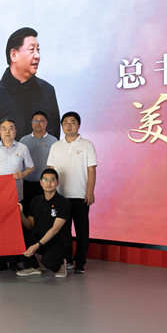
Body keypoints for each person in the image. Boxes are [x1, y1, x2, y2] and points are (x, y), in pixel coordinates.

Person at [0, 27, 60, 151]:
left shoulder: (47, 91)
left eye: (38, 50)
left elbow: (54, 139)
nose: (37, 55)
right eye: (31, 50)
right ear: (14, 55)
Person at [47, 111, 97, 274]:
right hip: (61, 197)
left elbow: (91, 170)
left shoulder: (87, 145)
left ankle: (80, 262)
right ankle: (67, 260)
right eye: (66, 122)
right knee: (63, 231)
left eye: (72, 122)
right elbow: (51, 171)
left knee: (82, 231)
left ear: (79, 125)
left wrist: (90, 192)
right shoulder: (56, 146)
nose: (69, 125)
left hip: (81, 196)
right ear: (62, 126)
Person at [0, 117, 34, 272]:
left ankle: (13, 262)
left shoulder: (22, 148)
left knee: (14, 229)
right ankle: (1, 262)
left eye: (11, 128)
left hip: (16, 195)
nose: (7, 131)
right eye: (4, 128)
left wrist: (23, 174)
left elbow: (31, 167)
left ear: (15, 131)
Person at [16, 168, 71, 278]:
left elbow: (55, 230)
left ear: (57, 182)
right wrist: (20, 214)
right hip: (40, 239)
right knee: (18, 239)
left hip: (57, 242)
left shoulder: (64, 202)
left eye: (52, 180)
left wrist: (37, 245)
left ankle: (61, 263)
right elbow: (29, 225)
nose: (48, 183)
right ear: (41, 183)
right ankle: (33, 267)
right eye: (45, 180)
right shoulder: (35, 200)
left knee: (48, 262)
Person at [20, 111, 59, 207]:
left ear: (46, 123)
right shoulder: (23, 140)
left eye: (41, 121)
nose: (38, 123)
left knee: (43, 210)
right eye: (35, 121)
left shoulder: (54, 141)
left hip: (46, 184)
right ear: (31, 123)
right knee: (26, 209)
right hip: (26, 183)